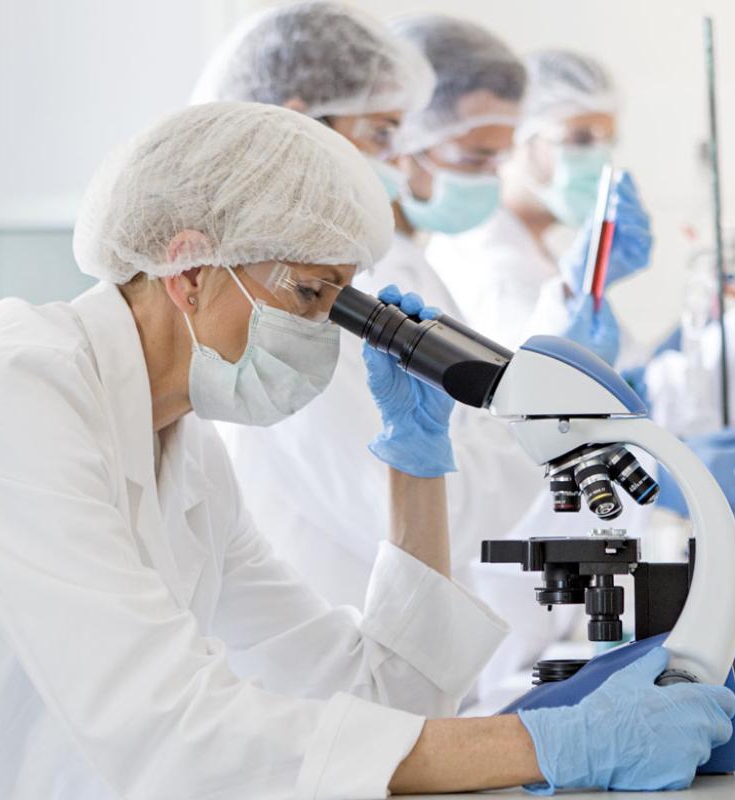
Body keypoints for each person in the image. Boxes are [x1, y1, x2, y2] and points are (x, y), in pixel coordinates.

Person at [0, 101, 735, 797]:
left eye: (337, 299)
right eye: (308, 292)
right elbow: (173, 733)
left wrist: (415, 465)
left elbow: (381, 695)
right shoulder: (6, 404)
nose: (319, 332)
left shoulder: (185, 457)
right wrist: (546, 745)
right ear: (189, 270)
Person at [205, 9, 614, 704]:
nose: (402, 156)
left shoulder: (381, 273)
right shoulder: (298, 303)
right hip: (325, 687)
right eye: (386, 133)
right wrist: (538, 420)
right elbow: (414, 511)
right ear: (301, 124)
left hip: (382, 681)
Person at [427, 49, 735, 511]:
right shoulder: (497, 270)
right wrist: (663, 477)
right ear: (517, 136)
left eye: (607, 140)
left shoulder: (541, 256)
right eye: (580, 137)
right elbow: (539, 435)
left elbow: (625, 390)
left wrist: (702, 328)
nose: (598, 157)